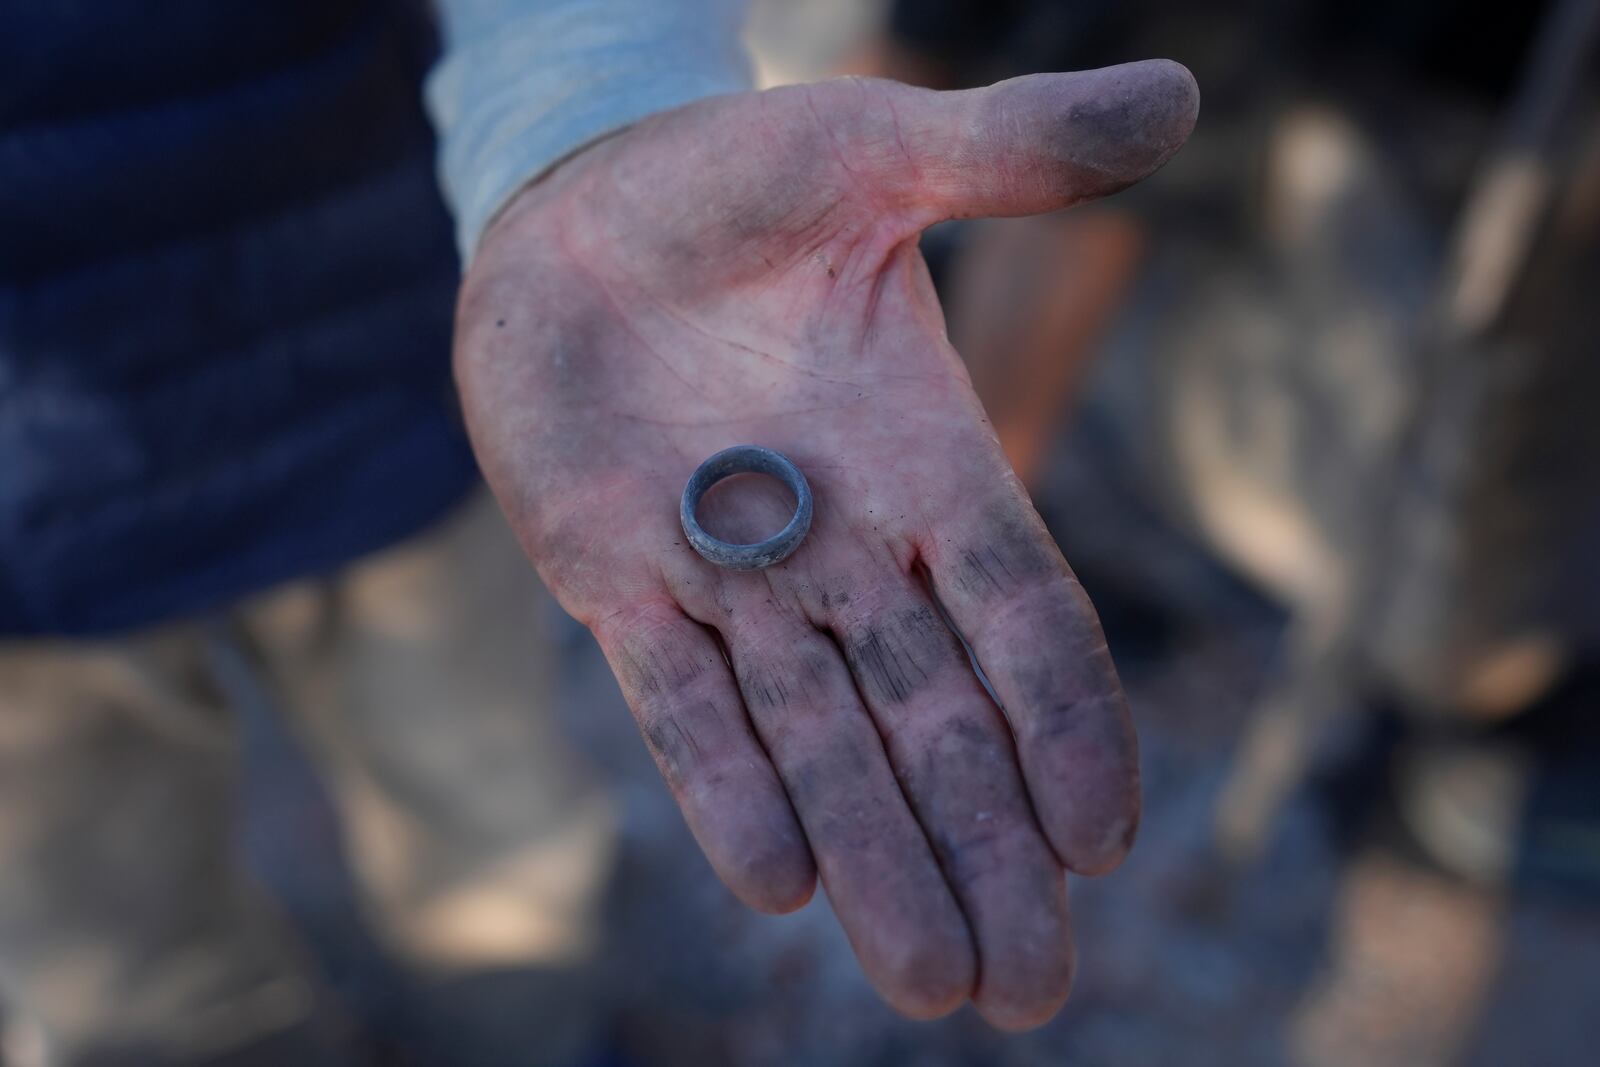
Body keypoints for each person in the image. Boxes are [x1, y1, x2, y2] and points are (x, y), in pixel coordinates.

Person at [0, 0, 1199, 1061]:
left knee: (486, 803)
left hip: (408, 371)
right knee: (114, 910)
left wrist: (587, 107)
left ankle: (525, 1025)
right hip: (27, 555)